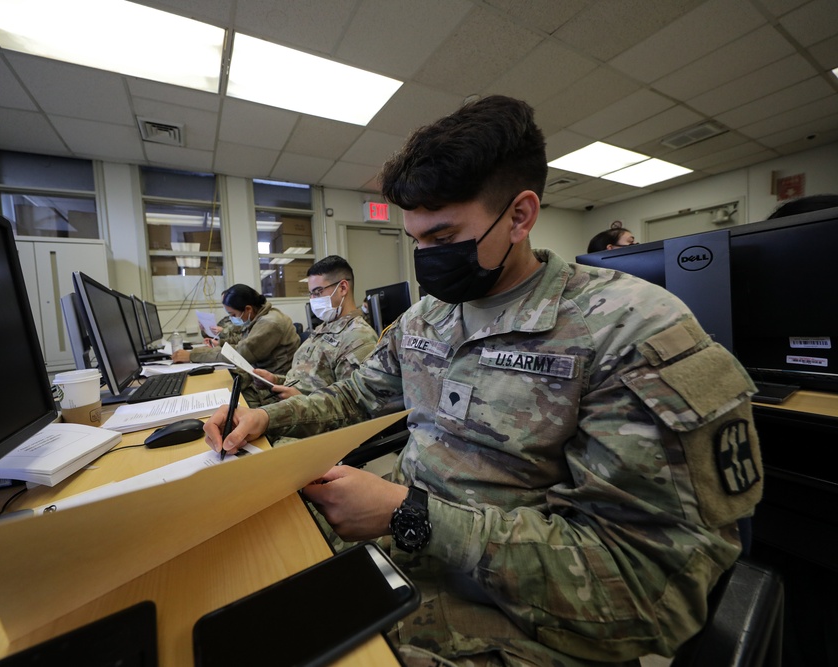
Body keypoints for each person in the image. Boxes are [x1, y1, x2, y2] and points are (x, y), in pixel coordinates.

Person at [204, 95, 763, 666]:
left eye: (443, 238)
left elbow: (651, 589)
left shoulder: (629, 330)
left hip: (523, 619)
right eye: (415, 241)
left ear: (520, 216)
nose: (426, 258)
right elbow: (358, 395)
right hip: (402, 557)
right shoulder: (430, 316)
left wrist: (412, 515)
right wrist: (268, 417)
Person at [250, 255, 378, 430]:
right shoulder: (324, 327)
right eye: (311, 294)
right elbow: (310, 377)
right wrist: (276, 380)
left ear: (342, 288)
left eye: (318, 292)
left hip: (310, 421)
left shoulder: (358, 337)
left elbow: (354, 408)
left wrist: (302, 401)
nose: (313, 300)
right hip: (290, 405)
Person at [173, 284, 299, 377]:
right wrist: (221, 344)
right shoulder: (259, 318)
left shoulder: (270, 323)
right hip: (261, 374)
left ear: (248, 309)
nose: (232, 319)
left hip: (272, 381)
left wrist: (192, 355)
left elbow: (239, 354)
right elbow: (242, 341)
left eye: (233, 315)